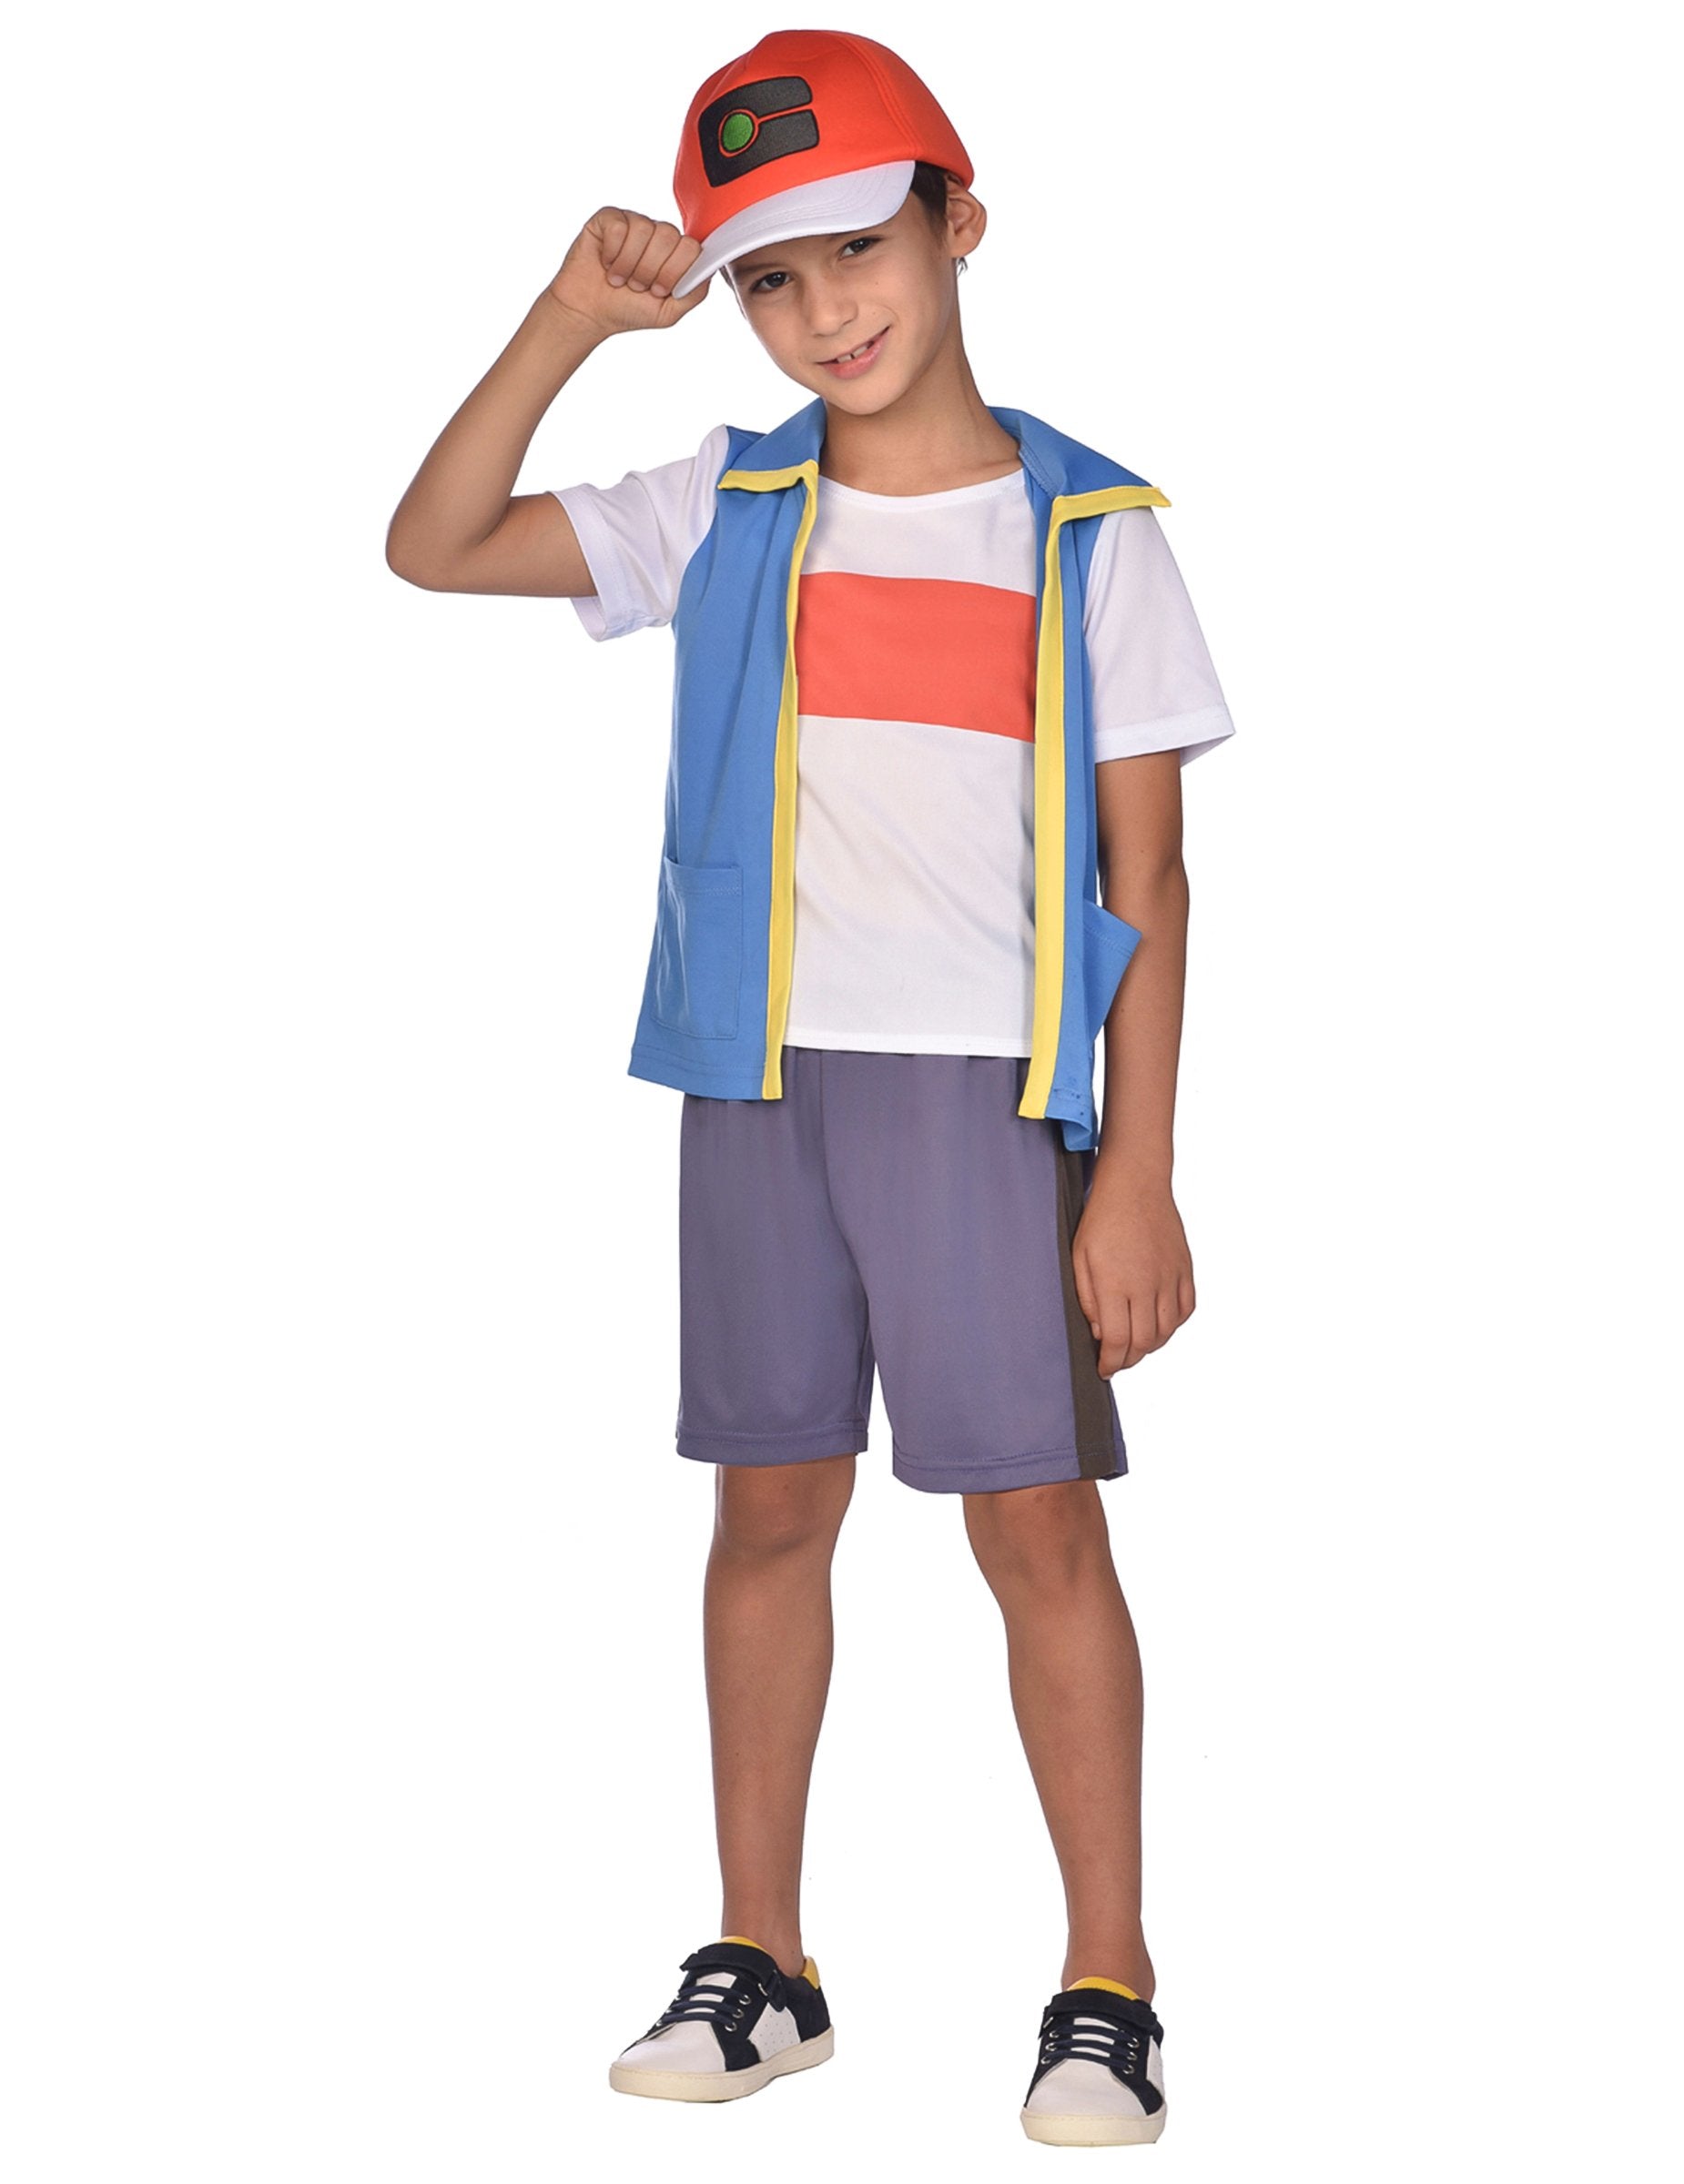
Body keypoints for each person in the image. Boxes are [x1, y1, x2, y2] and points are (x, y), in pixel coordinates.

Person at [386, 27, 1235, 2149]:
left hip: (981, 1101)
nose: (824, 309)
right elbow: (433, 543)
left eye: (860, 248)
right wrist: (568, 320)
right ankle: (762, 1961)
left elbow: (1148, 880)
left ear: (960, 226)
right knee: (766, 1510)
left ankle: (1106, 1982)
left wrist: (1139, 1172)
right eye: (770, 278)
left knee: (1032, 1527)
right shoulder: (724, 507)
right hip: (755, 1082)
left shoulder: (1087, 530)